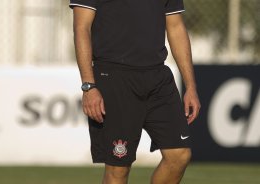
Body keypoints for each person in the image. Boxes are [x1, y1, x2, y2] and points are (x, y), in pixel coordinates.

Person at [70, 0, 201, 183]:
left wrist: (191, 86)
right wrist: (89, 86)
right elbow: (81, 28)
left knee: (179, 155)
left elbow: (176, 27)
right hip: (114, 77)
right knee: (118, 167)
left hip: (158, 77)